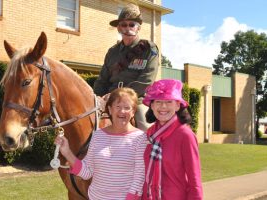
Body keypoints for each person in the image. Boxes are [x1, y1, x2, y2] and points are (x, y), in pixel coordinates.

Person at [55, 87, 147, 200]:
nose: (122, 111)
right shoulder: (98, 135)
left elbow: (139, 178)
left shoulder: (140, 138)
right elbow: (87, 172)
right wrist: (67, 151)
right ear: (110, 109)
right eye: (117, 106)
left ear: (133, 112)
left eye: (127, 108)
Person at [93, 3, 160, 131]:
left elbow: (146, 81)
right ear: (118, 28)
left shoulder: (148, 49)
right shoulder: (112, 52)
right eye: (124, 25)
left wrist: (116, 96)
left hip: (136, 101)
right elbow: (102, 79)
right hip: (109, 101)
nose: (127, 28)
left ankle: (153, 149)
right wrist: (96, 97)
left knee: (147, 130)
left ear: (138, 28)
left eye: (132, 24)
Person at [141, 79, 203, 200]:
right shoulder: (149, 133)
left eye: (169, 101)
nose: (163, 106)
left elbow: (194, 178)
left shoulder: (185, 135)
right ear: (152, 106)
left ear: (177, 105)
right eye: (158, 101)